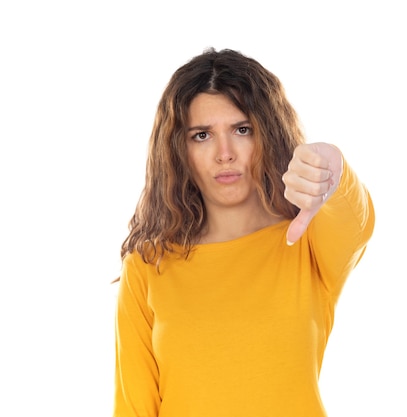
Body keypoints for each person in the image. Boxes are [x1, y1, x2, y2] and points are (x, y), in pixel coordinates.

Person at [113, 47, 375, 417]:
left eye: (242, 129)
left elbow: (358, 222)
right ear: (178, 150)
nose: (225, 153)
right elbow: (133, 408)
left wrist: (334, 169)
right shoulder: (148, 265)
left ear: (267, 134)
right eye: (201, 135)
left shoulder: (306, 242)